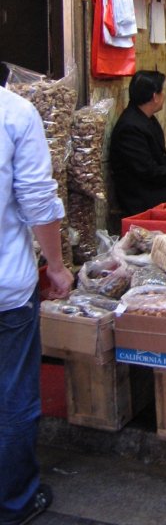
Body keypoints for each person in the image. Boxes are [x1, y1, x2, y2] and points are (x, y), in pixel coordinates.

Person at [0, 62, 74, 524]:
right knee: (11, 398)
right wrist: (58, 264)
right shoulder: (14, 112)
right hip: (6, 288)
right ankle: (14, 502)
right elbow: (37, 200)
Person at [110, 70, 166, 216]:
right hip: (140, 195)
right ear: (155, 97)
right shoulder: (130, 127)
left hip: (152, 185)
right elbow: (149, 172)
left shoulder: (146, 118)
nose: (165, 96)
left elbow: (161, 158)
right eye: (163, 92)